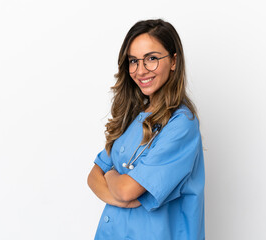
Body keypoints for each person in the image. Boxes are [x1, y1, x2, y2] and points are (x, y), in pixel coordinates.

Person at [87, 19, 205, 240]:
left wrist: (112, 176)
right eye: (134, 61)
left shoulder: (182, 124)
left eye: (151, 58)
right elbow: (93, 176)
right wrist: (120, 196)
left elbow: (125, 190)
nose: (140, 70)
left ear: (173, 61)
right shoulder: (133, 115)